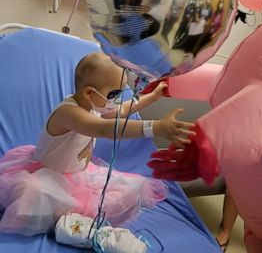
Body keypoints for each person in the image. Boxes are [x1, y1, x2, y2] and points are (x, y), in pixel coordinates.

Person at [0, 52, 195, 237]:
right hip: (47, 175)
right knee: (39, 196)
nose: (118, 100)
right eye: (114, 94)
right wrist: (156, 127)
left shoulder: (94, 105)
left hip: (78, 175)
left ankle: (68, 214)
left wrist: (151, 98)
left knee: (135, 186)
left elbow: (121, 111)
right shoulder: (69, 113)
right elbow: (104, 129)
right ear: (89, 93)